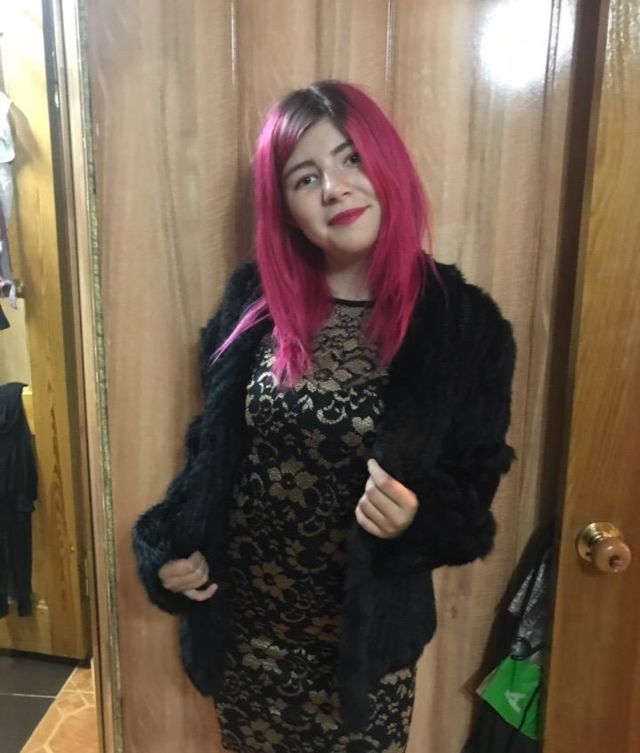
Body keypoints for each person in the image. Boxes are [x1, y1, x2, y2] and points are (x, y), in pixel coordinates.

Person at [133, 80, 516, 753]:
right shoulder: (253, 301)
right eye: (305, 178)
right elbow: (211, 457)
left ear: (387, 165)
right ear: (285, 208)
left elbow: (474, 487)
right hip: (248, 644)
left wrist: (419, 517)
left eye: (351, 159)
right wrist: (164, 548)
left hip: (362, 658)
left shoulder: (462, 323)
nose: (334, 189)